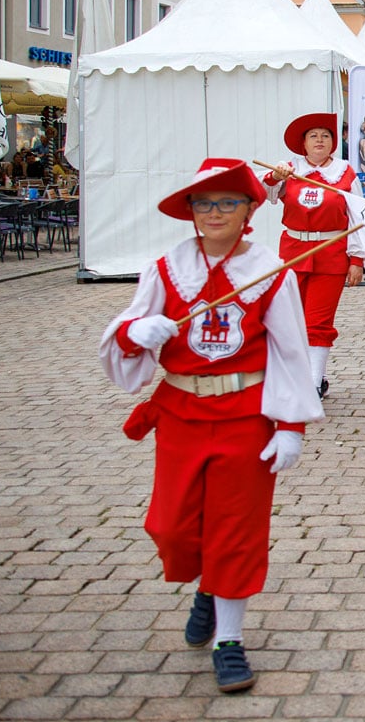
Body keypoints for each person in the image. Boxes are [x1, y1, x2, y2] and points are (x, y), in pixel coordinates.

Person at [100, 158, 322, 694]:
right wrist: (136, 332)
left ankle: (229, 638)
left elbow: (291, 352)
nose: (214, 212)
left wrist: (290, 426)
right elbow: (125, 336)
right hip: (181, 415)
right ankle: (207, 588)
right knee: (172, 527)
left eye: (227, 202)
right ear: (190, 211)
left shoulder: (270, 272)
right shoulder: (167, 269)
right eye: (203, 203)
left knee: (236, 528)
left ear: (248, 211)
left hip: (246, 417)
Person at [265, 113, 365, 400]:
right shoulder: (289, 170)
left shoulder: (345, 174)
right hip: (293, 254)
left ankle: (312, 383)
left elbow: (357, 219)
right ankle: (300, 375)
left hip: (330, 254)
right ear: (303, 143)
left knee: (318, 321)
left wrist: (356, 261)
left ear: (333, 142)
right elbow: (263, 194)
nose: (320, 140)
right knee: (290, 318)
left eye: (325, 135)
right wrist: (274, 176)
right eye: (313, 136)